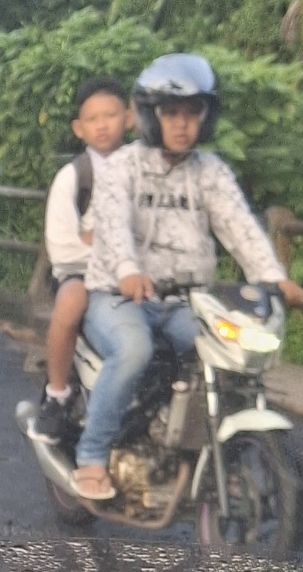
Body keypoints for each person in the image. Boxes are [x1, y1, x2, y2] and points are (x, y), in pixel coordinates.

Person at [70, 54, 303, 500]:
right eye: (172, 113)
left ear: (205, 117)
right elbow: (114, 225)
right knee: (135, 349)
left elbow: (240, 226)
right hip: (118, 297)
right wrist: (128, 271)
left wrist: (274, 276)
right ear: (151, 115)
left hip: (187, 301)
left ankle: (210, 454)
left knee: (222, 353)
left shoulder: (210, 171)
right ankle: (92, 456)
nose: (182, 124)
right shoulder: (121, 166)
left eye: (192, 113)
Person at [27, 77, 131, 444]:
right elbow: (63, 243)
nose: (102, 125)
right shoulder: (74, 175)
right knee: (70, 304)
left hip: (136, 272)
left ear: (130, 117)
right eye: (92, 118)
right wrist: (107, 251)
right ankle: (57, 394)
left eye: (111, 115)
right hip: (81, 271)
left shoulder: (144, 171)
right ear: (79, 128)